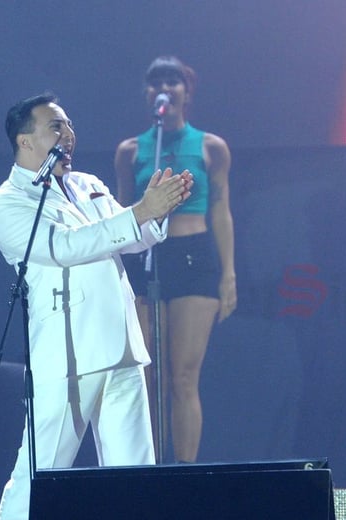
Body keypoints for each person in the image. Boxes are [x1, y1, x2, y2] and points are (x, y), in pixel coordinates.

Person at [0, 92, 193, 520]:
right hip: (66, 358)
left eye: (69, 124)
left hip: (120, 346)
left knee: (133, 477)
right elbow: (66, 248)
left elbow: (129, 237)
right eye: (56, 127)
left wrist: (152, 212)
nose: (68, 134)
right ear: (25, 139)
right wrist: (138, 212)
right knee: (37, 479)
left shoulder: (86, 184)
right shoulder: (6, 204)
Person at [115, 56, 236, 463]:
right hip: (147, 257)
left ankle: (184, 473)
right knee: (147, 376)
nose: (165, 88)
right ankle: (148, 467)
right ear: (148, 94)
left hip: (193, 255)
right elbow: (122, 210)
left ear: (187, 92)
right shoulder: (130, 150)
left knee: (184, 375)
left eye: (174, 81)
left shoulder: (210, 146)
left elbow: (220, 209)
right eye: (156, 82)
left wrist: (228, 274)